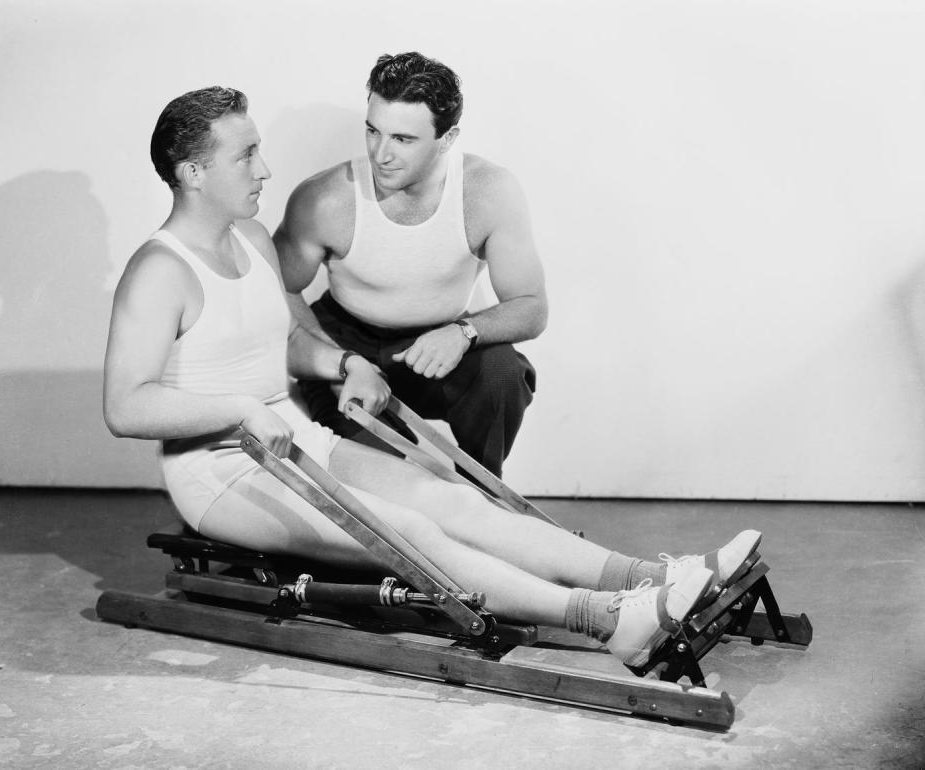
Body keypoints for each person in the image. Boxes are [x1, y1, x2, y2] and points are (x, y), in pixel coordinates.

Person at [103, 86, 762, 668]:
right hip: (219, 474)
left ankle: (658, 578)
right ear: (192, 172)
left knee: (450, 500)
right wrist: (241, 409)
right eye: (245, 154)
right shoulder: (158, 270)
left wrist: (345, 362)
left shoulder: (250, 239)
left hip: (292, 441)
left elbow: (287, 341)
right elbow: (126, 408)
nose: (265, 168)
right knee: (409, 532)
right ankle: (611, 622)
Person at [275, 52, 546, 478]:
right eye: (372, 131)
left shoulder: (488, 192)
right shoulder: (326, 199)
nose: (381, 153)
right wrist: (338, 360)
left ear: (448, 137)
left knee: (501, 373)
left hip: (438, 343)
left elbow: (531, 306)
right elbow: (274, 288)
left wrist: (464, 332)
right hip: (348, 340)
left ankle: (486, 493)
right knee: (390, 483)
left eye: (403, 139)